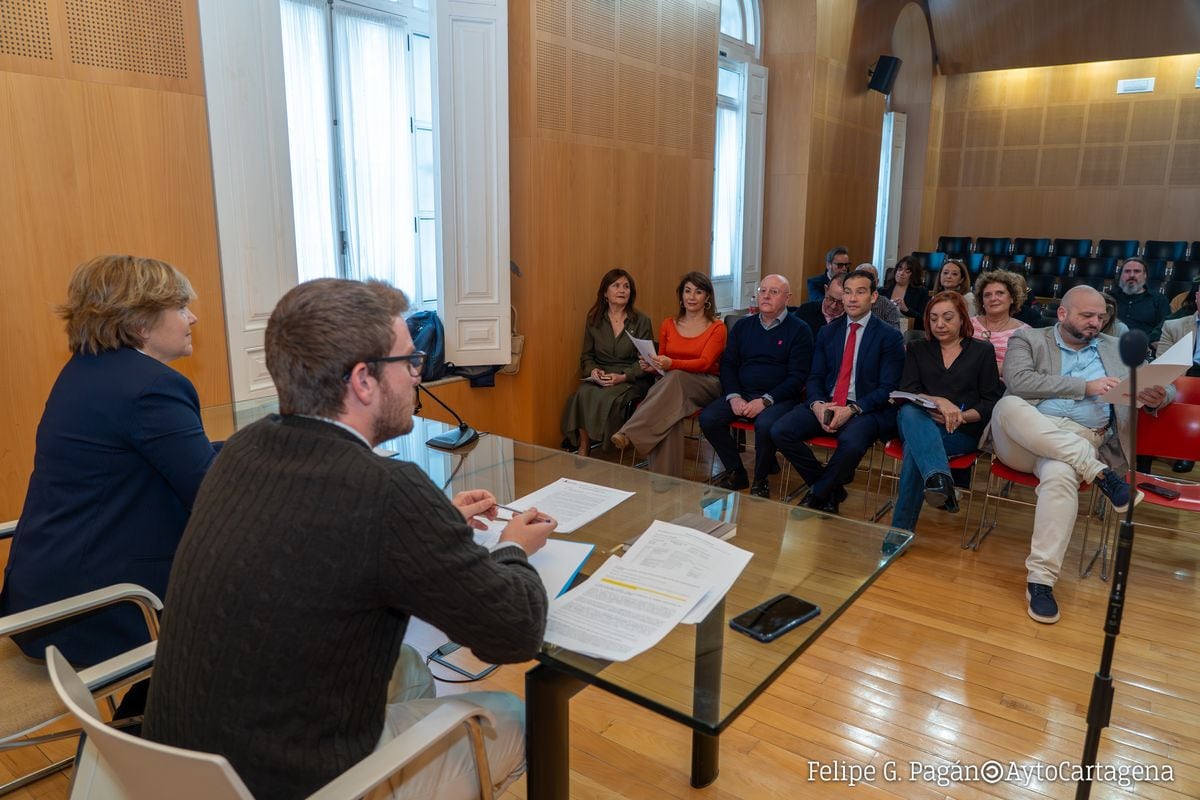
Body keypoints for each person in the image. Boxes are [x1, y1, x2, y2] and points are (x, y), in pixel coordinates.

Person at [143, 278, 556, 800]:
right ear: (363, 380)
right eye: (410, 362)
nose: (416, 377)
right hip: (291, 784)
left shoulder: (244, 450)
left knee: (406, 668)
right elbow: (515, 631)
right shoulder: (386, 491)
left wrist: (429, 525)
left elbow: (314, 536)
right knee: (516, 716)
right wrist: (511, 548)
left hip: (179, 770)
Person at [0, 255, 219, 670]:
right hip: (101, 610)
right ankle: (164, 726)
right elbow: (212, 497)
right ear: (141, 323)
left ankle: (149, 722)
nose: (192, 318)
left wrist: (243, 451)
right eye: (180, 308)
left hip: (45, 597)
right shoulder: (154, 386)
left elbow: (170, 457)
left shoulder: (86, 370)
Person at [988, 286, 1175, 624]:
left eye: (1100, 317)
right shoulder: (1029, 339)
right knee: (1007, 404)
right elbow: (1017, 381)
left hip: (1079, 439)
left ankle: (1040, 582)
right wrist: (1084, 388)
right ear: (1062, 314)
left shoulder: (1117, 347)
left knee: (1061, 474)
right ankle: (1102, 474)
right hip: (1023, 433)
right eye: (1087, 316)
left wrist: (1159, 395)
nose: (1095, 323)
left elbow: (1166, 383)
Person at [773, 270, 905, 514]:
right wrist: (817, 405)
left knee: (852, 443)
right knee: (780, 431)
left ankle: (818, 494)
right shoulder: (828, 332)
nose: (852, 298)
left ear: (874, 297)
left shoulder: (890, 336)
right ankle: (831, 489)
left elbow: (888, 388)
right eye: (847, 292)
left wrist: (852, 409)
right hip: (828, 402)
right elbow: (815, 377)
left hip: (866, 408)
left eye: (860, 292)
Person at [890, 292, 1001, 532]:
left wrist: (961, 416)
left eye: (948, 317)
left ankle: (901, 529)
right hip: (917, 421)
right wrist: (940, 401)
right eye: (933, 318)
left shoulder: (982, 351)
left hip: (959, 430)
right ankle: (940, 481)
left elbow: (991, 402)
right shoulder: (918, 348)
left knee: (914, 452)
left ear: (962, 318)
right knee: (909, 410)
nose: (939, 324)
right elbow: (907, 391)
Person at [699, 274, 813, 498]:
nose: (766, 296)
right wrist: (734, 396)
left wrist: (765, 400)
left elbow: (798, 377)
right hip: (742, 392)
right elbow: (729, 365)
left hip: (780, 397)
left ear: (787, 298)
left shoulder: (800, 330)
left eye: (774, 291)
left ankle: (760, 479)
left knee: (766, 424)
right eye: (763, 291)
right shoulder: (743, 326)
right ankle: (736, 471)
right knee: (708, 418)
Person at [612, 272, 727, 477]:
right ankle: (665, 482)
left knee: (673, 381)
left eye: (698, 292)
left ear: (707, 298)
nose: (691, 297)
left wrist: (671, 364)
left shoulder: (717, 328)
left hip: (706, 384)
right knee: (670, 414)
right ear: (681, 296)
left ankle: (630, 432)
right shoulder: (668, 324)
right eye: (687, 291)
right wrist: (652, 366)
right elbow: (663, 362)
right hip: (673, 386)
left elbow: (704, 363)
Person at [561, 268, 654, 454]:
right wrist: (594, 372)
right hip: (602, 373)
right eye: (616, 285)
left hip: (631, 378)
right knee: (581, 394)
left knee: (607, 396)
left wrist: (623, 377)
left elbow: (646, 361)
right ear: (605, 292)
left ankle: (611, 444)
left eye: (626, 286)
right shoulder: (594, 319)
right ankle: (584, 445)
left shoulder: (641, 320)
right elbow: (586, 356)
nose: (622, 290)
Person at [1155, 276, 1200, 472]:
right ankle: (1184, 451)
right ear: (1197, 297)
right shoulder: (1174, 326)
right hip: (1183, 375)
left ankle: (1189, 450)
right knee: (1157, 391)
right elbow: (1163, 364)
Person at [970, 270, 1031, 372]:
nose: (993, 298)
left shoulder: (1025, 332)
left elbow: (1021, 368)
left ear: (1012, 298)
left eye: (1000, 293)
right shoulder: (967, 324)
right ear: (982, 302)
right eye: (987, 295)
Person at [1110, 257, 1171, 342]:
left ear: (1145, 275)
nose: (1131, 275)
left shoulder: (1159, 300)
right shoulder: (1110, 298)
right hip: (1111, 345)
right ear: (1121, 275)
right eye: (1127, 271)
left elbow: (1164, 328)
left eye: (1137, 271)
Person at [793, 272, 846, 338]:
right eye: (831, 298)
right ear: (826, 290)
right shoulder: (805, 311)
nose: (833, 306)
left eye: (840, 302)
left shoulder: (850, 320)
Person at [883, 255, 930, 329]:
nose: (901, 273)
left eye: (907, 271)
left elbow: (924, 319)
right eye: (900, 269)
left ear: (914, 275)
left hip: (908, 333)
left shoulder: (921, 292)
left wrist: (906, 310)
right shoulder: (884, 290)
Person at [857, 264, 903, 329]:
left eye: (870, 278)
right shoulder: (846, 302)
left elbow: (894, 336)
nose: (864, 282)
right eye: (860, 278)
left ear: (877, 282)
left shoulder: (888, 306)